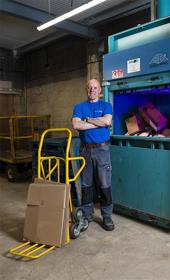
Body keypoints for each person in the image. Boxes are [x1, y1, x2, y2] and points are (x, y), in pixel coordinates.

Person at [72, 79, 114, 231]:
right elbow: (76, 125)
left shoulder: (106, 105)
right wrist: (99, 122)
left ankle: (107, 215)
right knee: (86, 184)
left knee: (105, 184)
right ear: (86, 89)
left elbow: (107, 121)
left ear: (100, 90)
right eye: (90, 88)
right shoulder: (79, 106)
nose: (92, 90)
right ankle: (88, 214)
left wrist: (88, 121)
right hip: (85, 151)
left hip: (102, 150)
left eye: (95, 87)